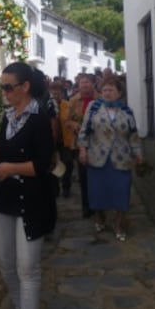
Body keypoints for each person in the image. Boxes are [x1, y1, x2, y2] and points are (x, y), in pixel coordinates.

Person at [0, 62, 55, 309]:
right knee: (6, 263)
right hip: (5, 198)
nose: (4, 93)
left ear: (25, 86)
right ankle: (20, 306)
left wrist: (10, 169)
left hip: (32, 200)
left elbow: (43, 165)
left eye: (8, 87)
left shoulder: (39, 118)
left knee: (28, 268)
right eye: (2, 88)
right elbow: (6, 152)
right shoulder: (8, 118)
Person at [77, 75, 143, 241]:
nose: (107, 93)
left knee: (121, 192)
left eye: (111, 90)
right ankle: (99, 216)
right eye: (105, 89)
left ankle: (119, 223)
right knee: (98, 192)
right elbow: (84, 130)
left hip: (121, 159)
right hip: (97, 158)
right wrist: (83, 150)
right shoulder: (94, 107)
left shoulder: (127, 111)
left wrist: (138, 154)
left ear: (119, 93)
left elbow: (133, 136)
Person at [66, 73, 99, 218]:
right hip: (81, 144)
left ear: (93, 84)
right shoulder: (73, 101)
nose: (84, 85)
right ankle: (86, 206)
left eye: (87, 82)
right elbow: (66, 121)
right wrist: (75, 125)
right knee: (84, 176)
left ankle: (99, 205)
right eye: (81, 83)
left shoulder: (100, 99)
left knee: (98, 176)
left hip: (98, 143)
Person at [49, 81, 75, 198]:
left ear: (61, 92)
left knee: (68, 163)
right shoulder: (47, 105)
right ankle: (55, 188)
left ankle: (66, 187)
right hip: (52, 140)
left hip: (65, 139)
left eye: (58, 90)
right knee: (53, 164)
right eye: (53, 90)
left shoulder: (67, 105)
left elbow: (72, 119)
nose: (55, 93)